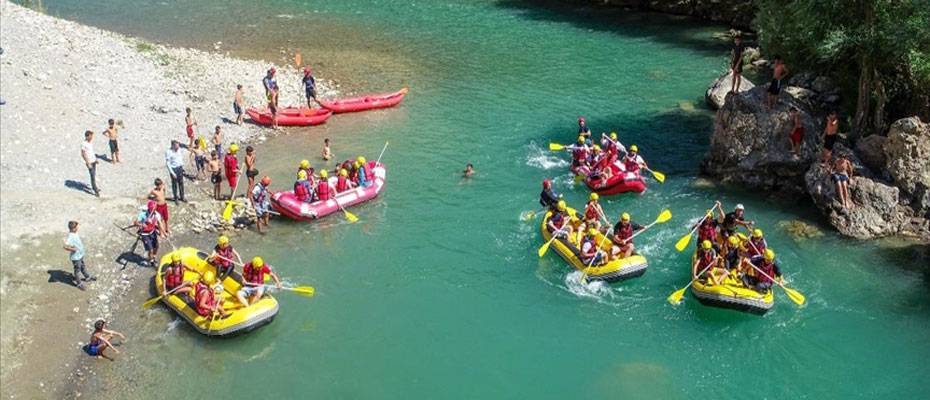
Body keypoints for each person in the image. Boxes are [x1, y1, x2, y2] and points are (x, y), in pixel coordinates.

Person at [64, 221, 95, 290]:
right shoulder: (71, 236)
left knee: (83, 266)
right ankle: (79, 283)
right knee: (77, 270)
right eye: (77, 227)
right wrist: (72, 249)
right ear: (73, 228)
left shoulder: (75, 233)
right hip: (76, 257)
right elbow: (65, 246)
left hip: (80, 255)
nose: (78, 228)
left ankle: (87, 277)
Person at [135, 200, 166, 266]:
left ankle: (153, 257)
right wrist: (142, 224)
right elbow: (135, 222)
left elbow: (160, 224)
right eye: (152, 209)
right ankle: (151, 261)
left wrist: (163, 233)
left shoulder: (156, 214)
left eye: (154, 208)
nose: (153, 210)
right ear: (149, 208)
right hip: (145, 234)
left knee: (157, 246)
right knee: (151, 249)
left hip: (152, 232)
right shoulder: (143, 214)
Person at [81, 130, 100, 197]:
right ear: (87, 136)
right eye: (91, 136)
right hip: (89, 162)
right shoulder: (84, 144)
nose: (92, 137)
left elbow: (91, 152)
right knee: (92, 175)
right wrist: (87, 162)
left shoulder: (90, 143)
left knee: (94, 175)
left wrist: (95, 159)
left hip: (93, 161)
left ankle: (95, 187)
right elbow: (83, 154)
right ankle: (96, 190)